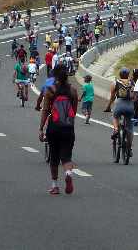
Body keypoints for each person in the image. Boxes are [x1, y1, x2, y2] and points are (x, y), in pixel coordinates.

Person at [38, 65, 80, 195]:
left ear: (54, 76)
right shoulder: (73, 90)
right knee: (66, 156)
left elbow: (45, 110)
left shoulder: (50, 90)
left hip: (54, 127)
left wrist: (41, 128)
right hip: (68, 127)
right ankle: (68, 173)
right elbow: (74, 111)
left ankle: (55, 186)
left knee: (54, 157)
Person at [103, 68, 136, 148]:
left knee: (115, 116)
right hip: (130, 105)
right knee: (130, 128)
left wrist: (108, 107)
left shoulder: (115, 83)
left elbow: (112, 97)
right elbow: (136, 95)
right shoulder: (132, 83)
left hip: (119, 104)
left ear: (119, 74)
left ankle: (116, 129)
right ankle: (129, 148)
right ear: (128, 75)